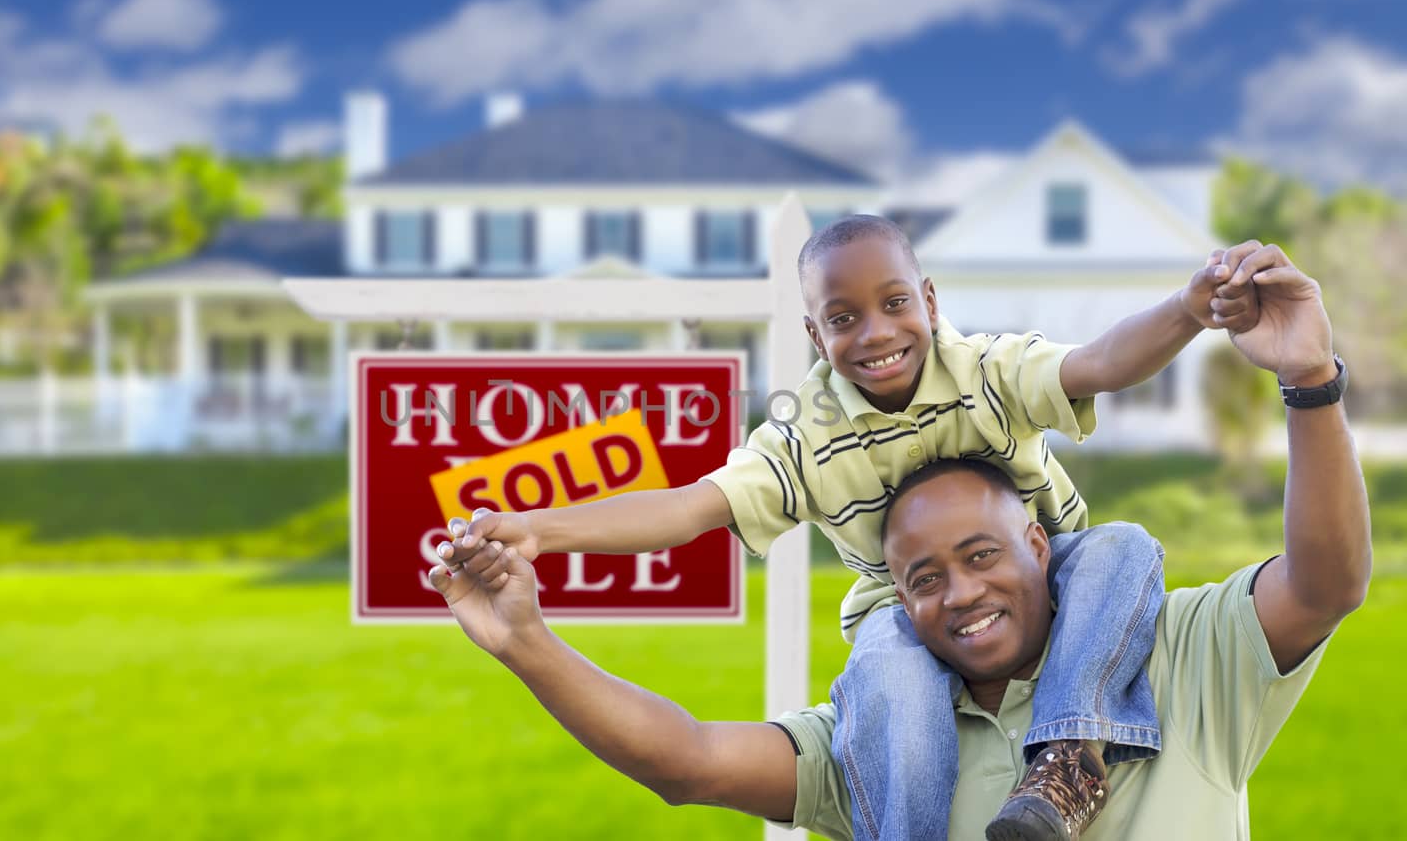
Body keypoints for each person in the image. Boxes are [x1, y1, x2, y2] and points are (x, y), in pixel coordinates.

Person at [428, 242, 1369, 840]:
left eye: (982, 556)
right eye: (842, 318)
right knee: (884, 664)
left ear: (926, 296)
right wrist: (531, 584)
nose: (959, 591)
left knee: (1123, 545)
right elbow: (688, 731)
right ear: (814, 331)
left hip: (1091, 593)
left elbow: (1103, 368)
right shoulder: (884, 716)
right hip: (889, 648)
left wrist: (1238, 338)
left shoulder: (1178, 660)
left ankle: (1071, 755)